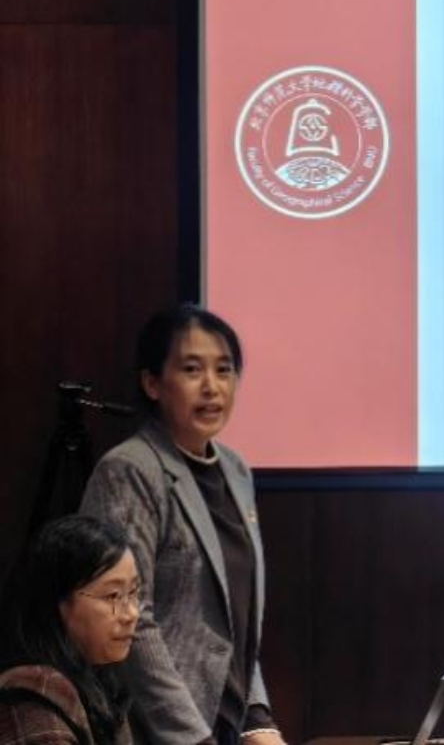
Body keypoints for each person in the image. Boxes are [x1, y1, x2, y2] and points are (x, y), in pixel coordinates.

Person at [81, 306, 285, 745]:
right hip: (150, 731)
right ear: (152, 383)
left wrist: (258, 719)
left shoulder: (235, 470)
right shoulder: (129, 471)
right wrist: (192, 738)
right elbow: (130, 620)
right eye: (192, 369)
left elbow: (236, 621)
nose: (212, 386)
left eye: (224, 369)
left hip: (225, 726)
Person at [0, 514, 138, 745]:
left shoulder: (98, 681)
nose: (131, 614)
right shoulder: (30, 703)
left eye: (133, 592)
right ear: (55, 602)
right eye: (113, 595)